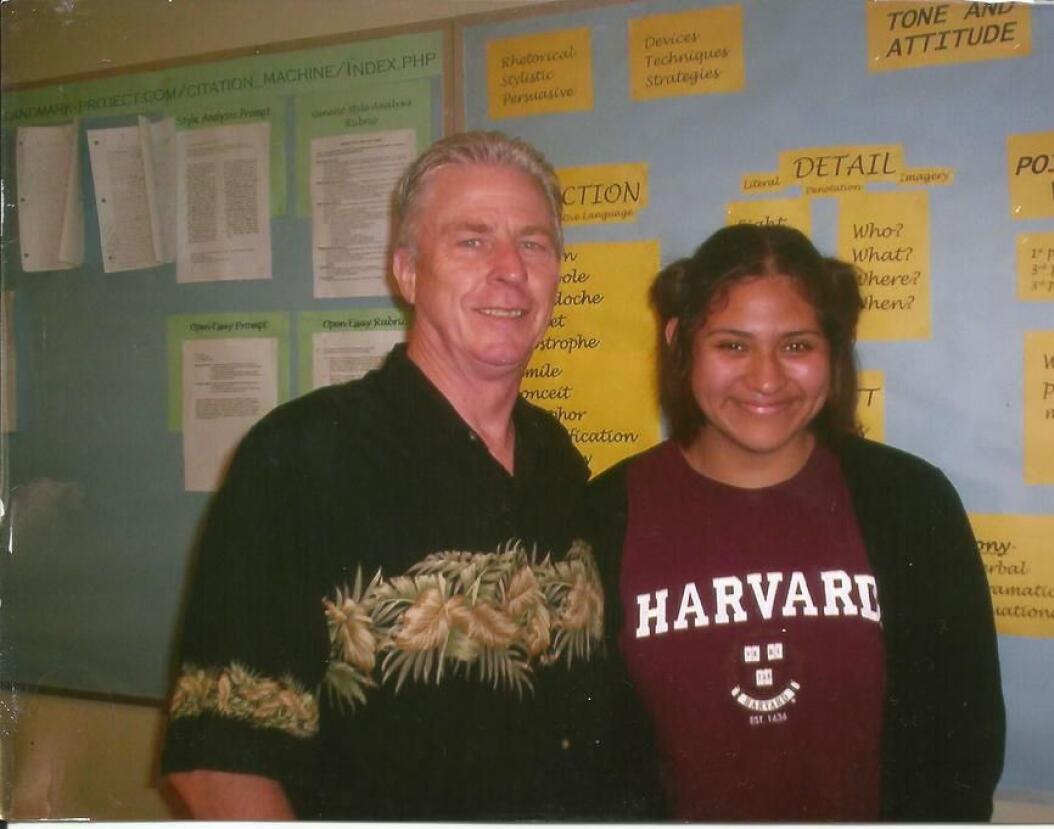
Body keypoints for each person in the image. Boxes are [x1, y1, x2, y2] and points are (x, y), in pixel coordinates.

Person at [161, 131, 659, 820]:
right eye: (472, 241)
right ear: (407, 271)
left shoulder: (556, 456)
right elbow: (216, 766)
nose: (510, 269)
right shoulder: (298, 459)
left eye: (534, 243)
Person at [588, 223, 1005, 821]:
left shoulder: (911, 503)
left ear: (834, 351)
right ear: (680, 341)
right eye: (732, 345)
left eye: (797, 345)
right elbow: (597, 762)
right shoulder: (608, 513)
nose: (766, 379)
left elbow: (962, 745)